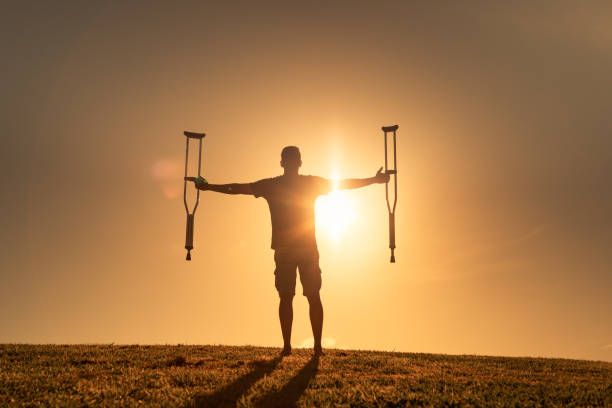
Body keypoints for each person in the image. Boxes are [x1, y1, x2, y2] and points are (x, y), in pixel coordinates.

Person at [187, 146, 389, 355]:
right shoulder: (306, 183)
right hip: (306, 247)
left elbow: (238, 188)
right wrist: (372, 180)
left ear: (283, 162)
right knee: (310, 295)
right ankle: (314, 348)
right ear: (298, 162)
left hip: (290, 249)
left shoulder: (273, 185)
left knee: (289, 296)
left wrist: (209, 187)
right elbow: (343, 184)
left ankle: (289, 347)